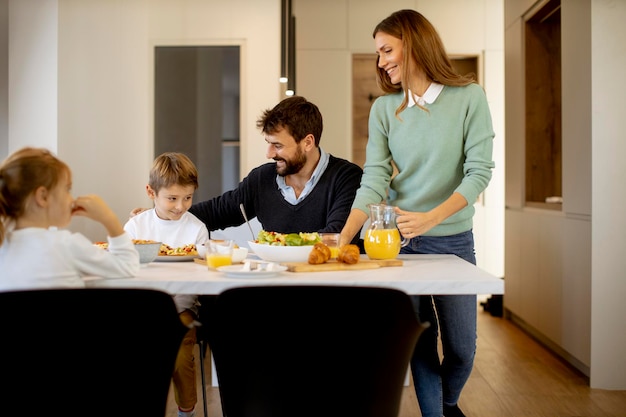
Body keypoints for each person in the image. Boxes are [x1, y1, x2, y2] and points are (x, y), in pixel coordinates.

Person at [338, 9, 495, 417]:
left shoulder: (469, 97)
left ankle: (448, 404)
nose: (381, 60)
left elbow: (479, 173)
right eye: (377, 53)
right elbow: (374, 178)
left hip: (454, 241)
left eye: (387, 49)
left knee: (462, 349)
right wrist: (342, 237)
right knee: (420, 342)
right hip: (399, 243)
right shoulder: (385, 110)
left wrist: (432, 218)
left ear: (414, 43)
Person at [133, 96, 363, 242]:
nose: (269, 154)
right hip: (278, 284)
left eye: (278, 145)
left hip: (330, 288)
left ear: (308, 142)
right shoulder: (262, 178)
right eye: (268, 144)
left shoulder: (347, 177)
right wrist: (160, 213)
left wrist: (280, 243)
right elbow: (217, 211)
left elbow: (334, 235)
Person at [124, 152, 209, 417]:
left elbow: (203, 272)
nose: (180, 206)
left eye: (187, 198)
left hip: (182, 309)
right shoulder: (136, 226)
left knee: (182, 356)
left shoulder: (196, 228)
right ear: (151, 192)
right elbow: (124, 264)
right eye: (172, 198)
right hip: (143, 309)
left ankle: (187, 410)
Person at [0, 147, 139, 290]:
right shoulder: (66, 244)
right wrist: (108, 218)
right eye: (67, 189)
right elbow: (128, 266)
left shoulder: (3, 246)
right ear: (43, 196)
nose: (71, 198)